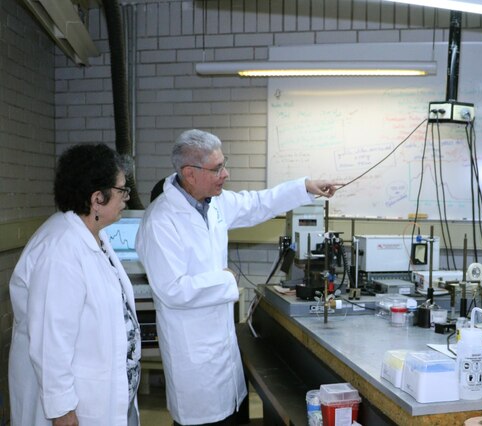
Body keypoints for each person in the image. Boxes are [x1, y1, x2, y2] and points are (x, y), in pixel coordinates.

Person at [135, 129, 339, 425]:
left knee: (234, 415)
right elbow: (172, 290)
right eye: (217, 168)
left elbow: (258, 203)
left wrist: (305, 187)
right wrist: (226, 279)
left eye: (224, 163)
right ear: (190, 174)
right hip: (195, 362)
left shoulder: (213, 203)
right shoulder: (160, 221)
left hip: (224, 355)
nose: (226, 173)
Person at [9, 144, 140, 426]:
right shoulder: (60, 250)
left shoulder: (91, 235)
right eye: (121, 190)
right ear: (97, 198)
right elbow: (50, 340)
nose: (126, 198)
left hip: (103, 392)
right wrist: (62, 410)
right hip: (76, 406)